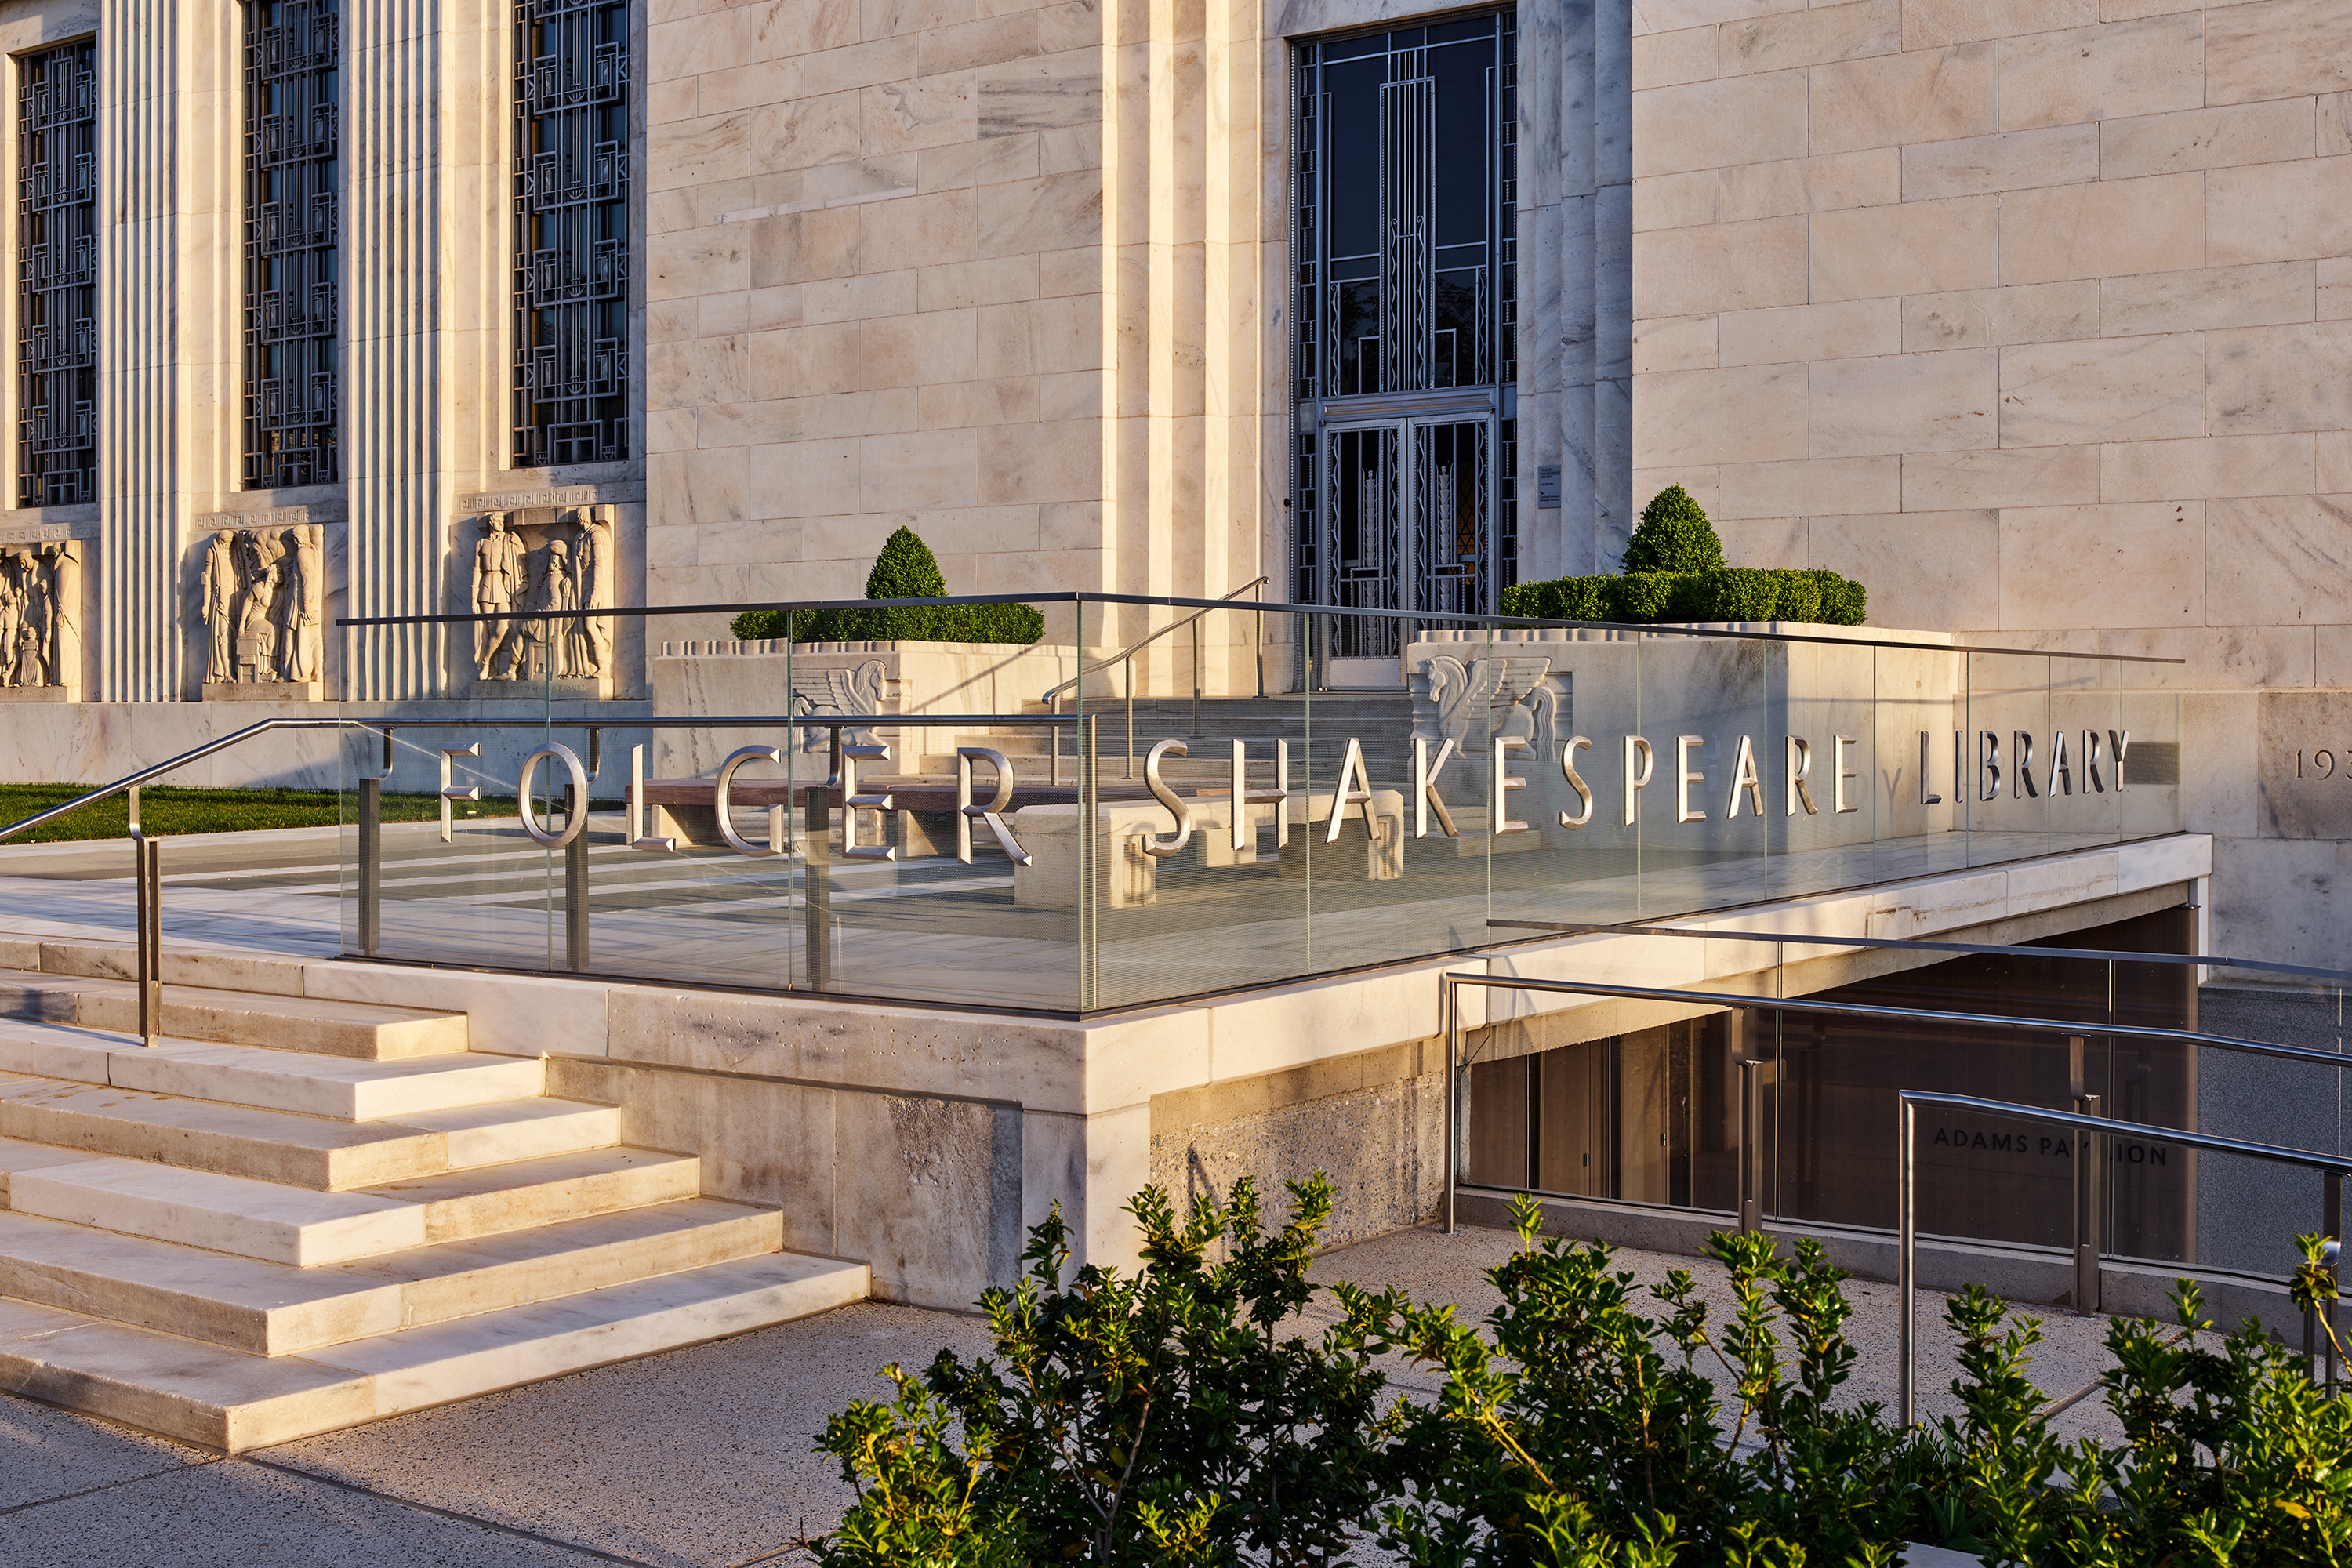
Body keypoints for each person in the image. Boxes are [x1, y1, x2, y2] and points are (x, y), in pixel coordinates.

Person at [201, 529, 238, 683]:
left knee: (233, 635)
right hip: (219, 600)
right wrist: (206, 604)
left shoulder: (232, 555)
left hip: (233, 599)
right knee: (223, 637)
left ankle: (233, 669)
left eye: (229, 543)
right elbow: (207, 579)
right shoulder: (212, 552)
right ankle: (225, 673)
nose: (227, 546)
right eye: (225, 542)